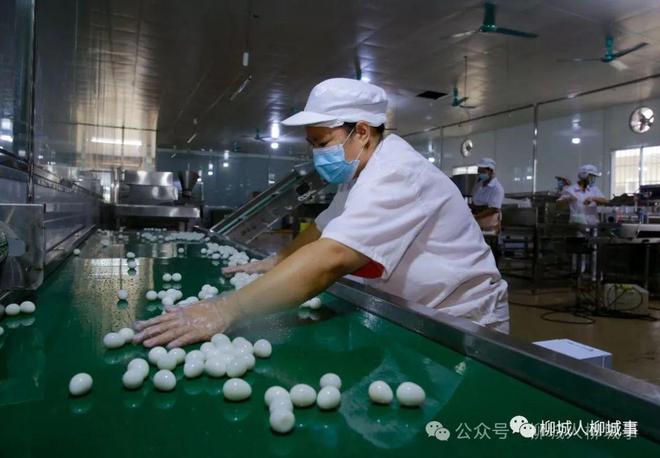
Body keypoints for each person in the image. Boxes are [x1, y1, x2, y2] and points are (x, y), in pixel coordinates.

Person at [133, 78, 510, 348]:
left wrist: (226, 309)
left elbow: (332, 256)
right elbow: (323, 227)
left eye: (322, 142)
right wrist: (279, 259)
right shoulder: (359, 172)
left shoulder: (397, 172)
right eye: (312, 144)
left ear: (361, 132)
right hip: (415, 313)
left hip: (461, 320)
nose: (317, 154)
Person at [470, 158, 505, 232]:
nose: (480, 174)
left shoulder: (497, 188)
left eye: (483, 171)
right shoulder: (479, 185)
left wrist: (475, 217)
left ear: (491, 171)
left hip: (489, 225)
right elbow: (475, 201)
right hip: (477, 223)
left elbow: (494, 209)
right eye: (479, 171)